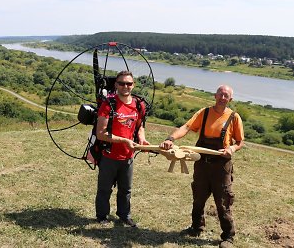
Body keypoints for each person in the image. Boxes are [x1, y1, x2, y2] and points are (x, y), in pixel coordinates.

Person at [160, 84, 244, 248]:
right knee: (198, 197)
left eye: (226, 95)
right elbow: (186, 127)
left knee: (223, 201)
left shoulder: (234, 117)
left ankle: (228, 237)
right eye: (220, 94)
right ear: (215, 95)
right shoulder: (204, 113)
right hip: (201, 164)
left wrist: (232, 148)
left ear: (230, 99)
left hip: (221, 166)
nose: (222, 97)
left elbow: (240, 141)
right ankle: (196, 227)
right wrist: (171, 139)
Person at [95, 70, 149, 228]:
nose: (126, 86)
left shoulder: (139, 104)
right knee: (104, 189)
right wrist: (124, 140)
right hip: (109, 155)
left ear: (133, 85)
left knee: (126, 189)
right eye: (122, 83)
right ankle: (102, 216)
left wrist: (142, 138)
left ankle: (124, 215)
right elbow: (101, 134)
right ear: (116, 85)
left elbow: (140, 125)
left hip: (127, 156)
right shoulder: (108, 104)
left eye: (129, 83)